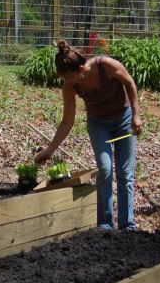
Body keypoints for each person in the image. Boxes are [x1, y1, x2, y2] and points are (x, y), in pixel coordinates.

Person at [34, 40, 142, 230]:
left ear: (82, 69)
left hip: (123, 120)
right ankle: (105, 225)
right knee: (105, 169)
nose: (68, 82)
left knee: (125, 173)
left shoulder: (106, 66)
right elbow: (67, 121)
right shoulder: (69, 86)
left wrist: (136, 115)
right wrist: (50, 150)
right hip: (99, 124)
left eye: (71, 78)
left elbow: (130, 83)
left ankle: (128, 226)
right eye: (64, 79)